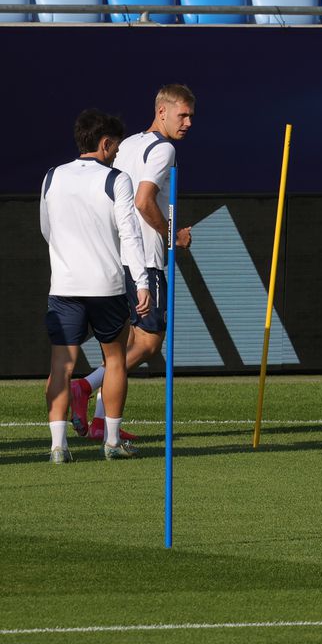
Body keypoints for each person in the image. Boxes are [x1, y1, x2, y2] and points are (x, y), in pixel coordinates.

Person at [69, 84, 195, 444]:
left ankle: (100, 421)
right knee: (149, 344)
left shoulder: (127, 145)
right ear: (162, 111)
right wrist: (173, 235)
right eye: (182, 115)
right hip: (145, 259)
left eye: (191, 116)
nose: (188, 123)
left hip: (117, 255)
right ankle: (85, 385)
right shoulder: (164, 149)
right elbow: (143, 201)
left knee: (122, 342)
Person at [41, 109, 150, 462]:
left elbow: (46, 228)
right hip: (107, 287)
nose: (117, 153)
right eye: (115, 146)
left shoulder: (52, 176)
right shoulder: (117, 179)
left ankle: (58, 447)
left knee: (61, 364)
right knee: (115, 360)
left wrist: (67, 259)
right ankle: (112, 442)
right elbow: (130, 235)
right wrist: (142, 282)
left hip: (65, 285)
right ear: (105, 143)